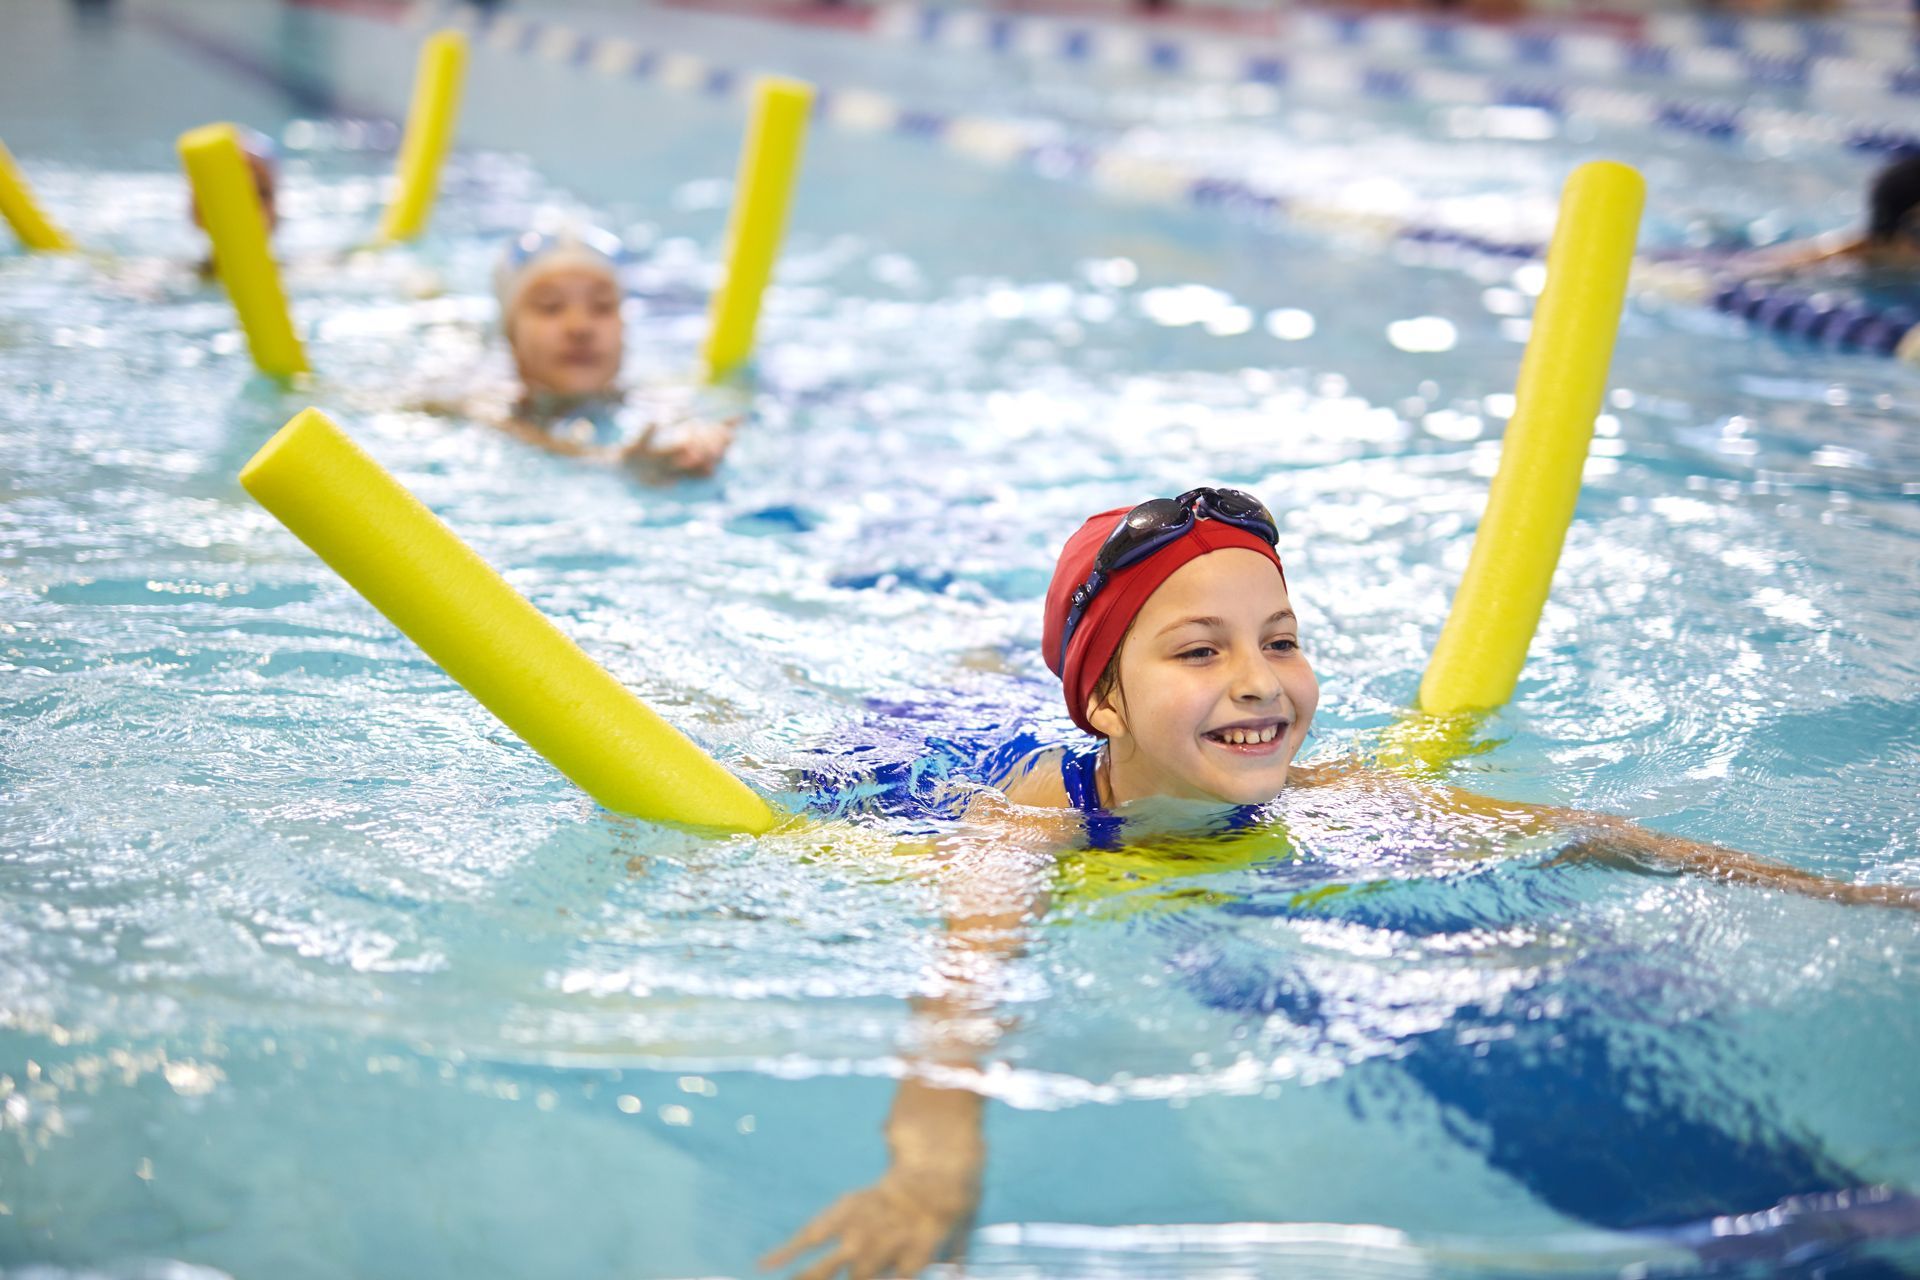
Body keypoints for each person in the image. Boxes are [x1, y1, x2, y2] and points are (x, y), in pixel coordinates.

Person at [763, 486, 1919, 1279]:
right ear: (1105, 702)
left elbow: (1582, 829)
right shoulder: (1026, 823)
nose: (1261, 682)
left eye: (1281, 639)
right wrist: (934, 1167)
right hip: (897, 763)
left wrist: (1842, 891)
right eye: (1201, 649)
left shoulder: (1314, 785)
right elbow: (963, 989)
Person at [483, 225, 735, 475]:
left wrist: (696, 436)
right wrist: (612, 462)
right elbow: (509, 428)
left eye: (602, 306)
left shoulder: (656, 394)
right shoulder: (477, 399)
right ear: (510, 333)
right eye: (551, 306)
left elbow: (687, 414)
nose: (580, 327)